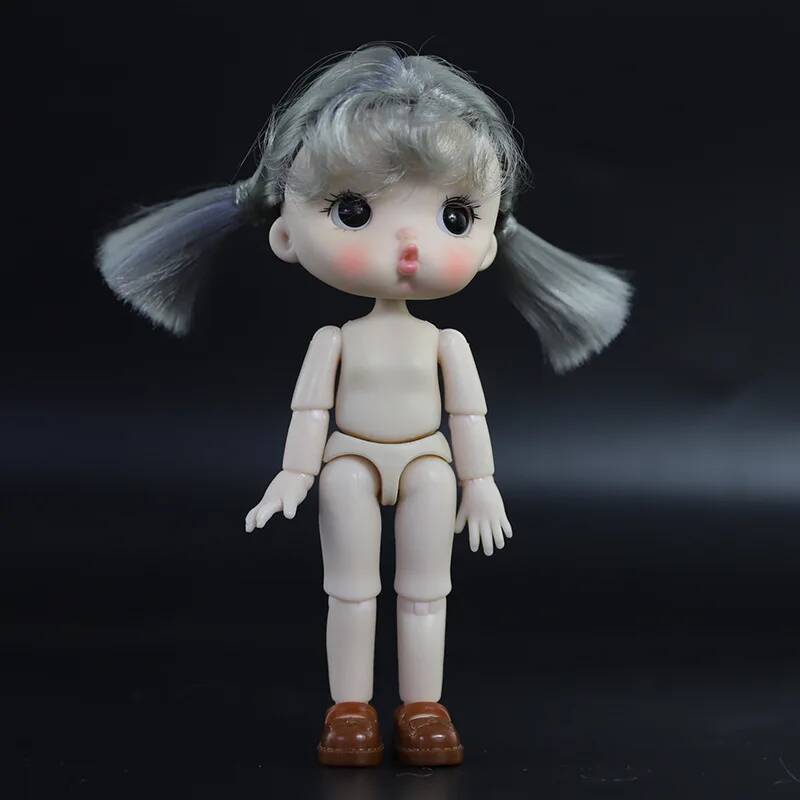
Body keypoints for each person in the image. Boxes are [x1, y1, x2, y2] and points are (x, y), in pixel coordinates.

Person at [97, 42, 632, 767]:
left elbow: (467, 418)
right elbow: (310, 416)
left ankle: (423, 708)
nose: (409, 246)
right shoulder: (334, 341)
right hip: (348, 461)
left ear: (486, 245)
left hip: (429, 466)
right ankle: (349, 709)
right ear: (285, 233)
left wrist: (480, 483)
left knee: (425, 593)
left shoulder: (445, 344)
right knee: (349, 594)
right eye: (354, 211)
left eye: (453, 215)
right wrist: (294, 474)